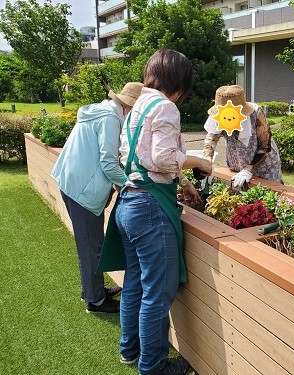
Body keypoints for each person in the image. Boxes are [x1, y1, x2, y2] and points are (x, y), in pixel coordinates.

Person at [114, 49, 210, 375]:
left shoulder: (139, 104)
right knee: (158, 292)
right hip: (150, 210)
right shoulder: (166, 107)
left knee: (135, 284)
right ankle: (153, 367)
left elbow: (142, 157)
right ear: (179, 84)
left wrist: (184, 181)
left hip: (128, 201)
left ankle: (130, 350)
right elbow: (164, 158)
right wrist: (199, 162)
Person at [51, 81, 144, 313]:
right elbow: (108, 163)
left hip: (73, 181)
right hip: (82, 189)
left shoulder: (102, 111)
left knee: (91, 243)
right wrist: (133, 184)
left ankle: (94, 290)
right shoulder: (111, 120)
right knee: (90, 246)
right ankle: (96, 301)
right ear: (128, 106)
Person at [203, 84, 282, 187]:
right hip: (238, 165)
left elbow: (265, 146)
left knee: (266, 197)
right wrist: (206, 163)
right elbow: (211, 140)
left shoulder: (256, 113)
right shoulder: (218, 114)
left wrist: (248, 170)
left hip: (264, 166)